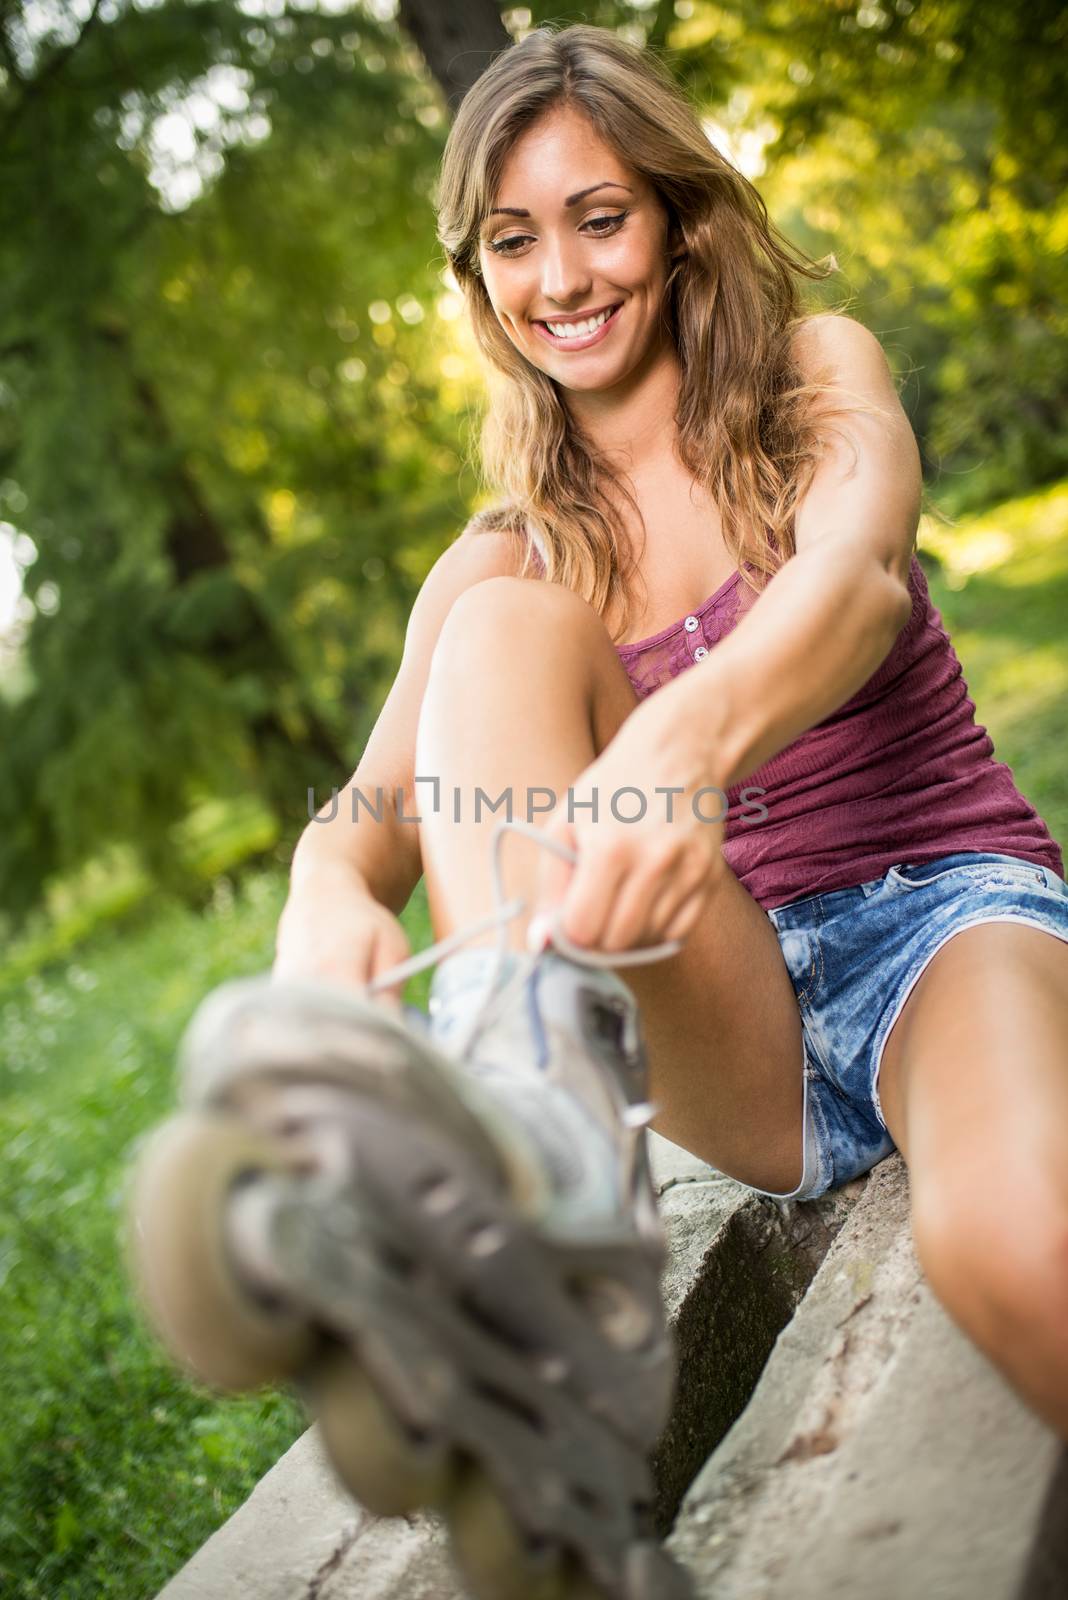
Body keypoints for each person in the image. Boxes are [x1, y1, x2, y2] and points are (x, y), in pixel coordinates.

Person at [131, 23, 1068, 1600]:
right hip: (734, 1019)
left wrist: (687, 737)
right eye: (513, 239)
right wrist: (328, 906)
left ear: (680, 216)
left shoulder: (811, 380)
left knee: (1018, 1246)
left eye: (599, 216)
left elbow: (853, 580)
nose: (560, 275)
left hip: (942, 923)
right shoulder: (505, 552)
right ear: (477, 276)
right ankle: (542, 1213)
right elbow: (363, 820)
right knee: (498, 635)